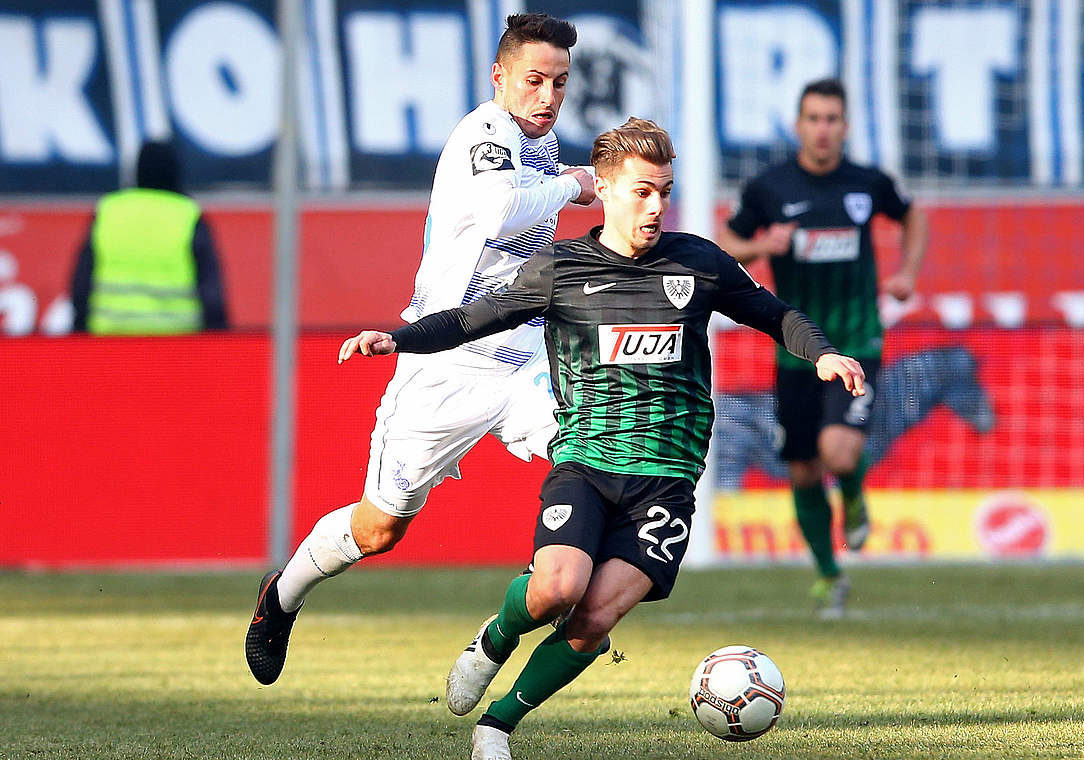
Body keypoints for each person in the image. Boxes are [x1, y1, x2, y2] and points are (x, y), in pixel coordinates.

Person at [338, 118, 865, 760]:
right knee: (557, 589)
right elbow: (475, 318)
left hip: (669, 476)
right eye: (643, 191)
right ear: (606, 187)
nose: (656, 206)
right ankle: (496, 638)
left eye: (664, 192)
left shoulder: (696, 261)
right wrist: (397, 338)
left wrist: (823, 354)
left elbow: (773, 313)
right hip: (587, 460)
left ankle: (496, 727)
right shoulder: (559, 268)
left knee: (594, 616)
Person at [245, 13, 597, 686]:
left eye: (560, 82)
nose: (548, 96)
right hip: (446, 360)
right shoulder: (484, 134)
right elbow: (498, 213)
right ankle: (280, 598)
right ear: (500, 77)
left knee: (585, 454)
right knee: (379, 531)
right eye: (534, 80)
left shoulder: (543, 148)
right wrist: (580, 184)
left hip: (523, 353)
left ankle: (542, 596)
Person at [714, 78, 927, 618]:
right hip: (796, 349)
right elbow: (727, 243)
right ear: (798, 125)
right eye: (814, 118)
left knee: (839, 452)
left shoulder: (867, 183)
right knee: (804, 470)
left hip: (857, 340)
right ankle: (829, 576)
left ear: (845, 126)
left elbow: (912, 216)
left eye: (833, 119)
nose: (823, 129)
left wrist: (906, 272)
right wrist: (763, 245)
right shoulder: (771, 187)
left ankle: (852, 495)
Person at [69, 141, 227, 334]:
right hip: (177, 347)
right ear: (175, 172)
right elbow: (212, 295)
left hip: (111, 345)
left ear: (137, 172)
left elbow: (81, 285)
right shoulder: (187, 215)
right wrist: (219, 345)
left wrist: (78, 336)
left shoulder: (108, 211)